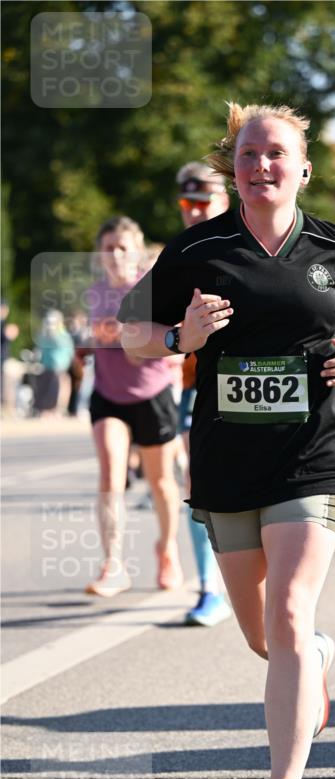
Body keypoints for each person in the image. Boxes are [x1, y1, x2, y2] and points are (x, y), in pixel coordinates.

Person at [120, 102, 335, 779]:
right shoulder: (199, 248)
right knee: (264, 636)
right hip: (228, 460)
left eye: (275, 154)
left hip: (314, 452)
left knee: (290, 616)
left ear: (303, 167)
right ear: (232, 166)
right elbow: (131, 333)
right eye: (247, 155)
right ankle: (315, 660)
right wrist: (181, 337)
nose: (260, 166)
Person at [86, 216, 183, 597]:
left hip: (152, 394)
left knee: (161, 483)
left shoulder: (152, 288)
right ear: (100, 254)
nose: (116, 254)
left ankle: (167, 547)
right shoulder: (95, 293)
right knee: (111, 474)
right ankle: (113, 564)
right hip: (108, 395)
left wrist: (133, 340)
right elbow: (101, 339)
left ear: (137, 251)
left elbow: (158, 346)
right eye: (109, 247)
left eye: (123, 247)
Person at [174, 162, 234, 626]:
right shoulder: (175, 257)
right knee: (195, 487)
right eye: (187, 204)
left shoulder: (241, 246)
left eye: (204, 203)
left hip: (250, 392)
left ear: (224, 201)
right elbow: (141, 332)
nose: (195, 212)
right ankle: (208, 588)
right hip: (195, 391)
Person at [34, 309, 74, 416]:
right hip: (48, 366)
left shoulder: (61, 334)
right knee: (49, 389)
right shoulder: (44, 334)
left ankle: (58, 409)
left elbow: (68, 350)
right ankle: (48, 409)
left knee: (60, 387)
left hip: (59, 366)